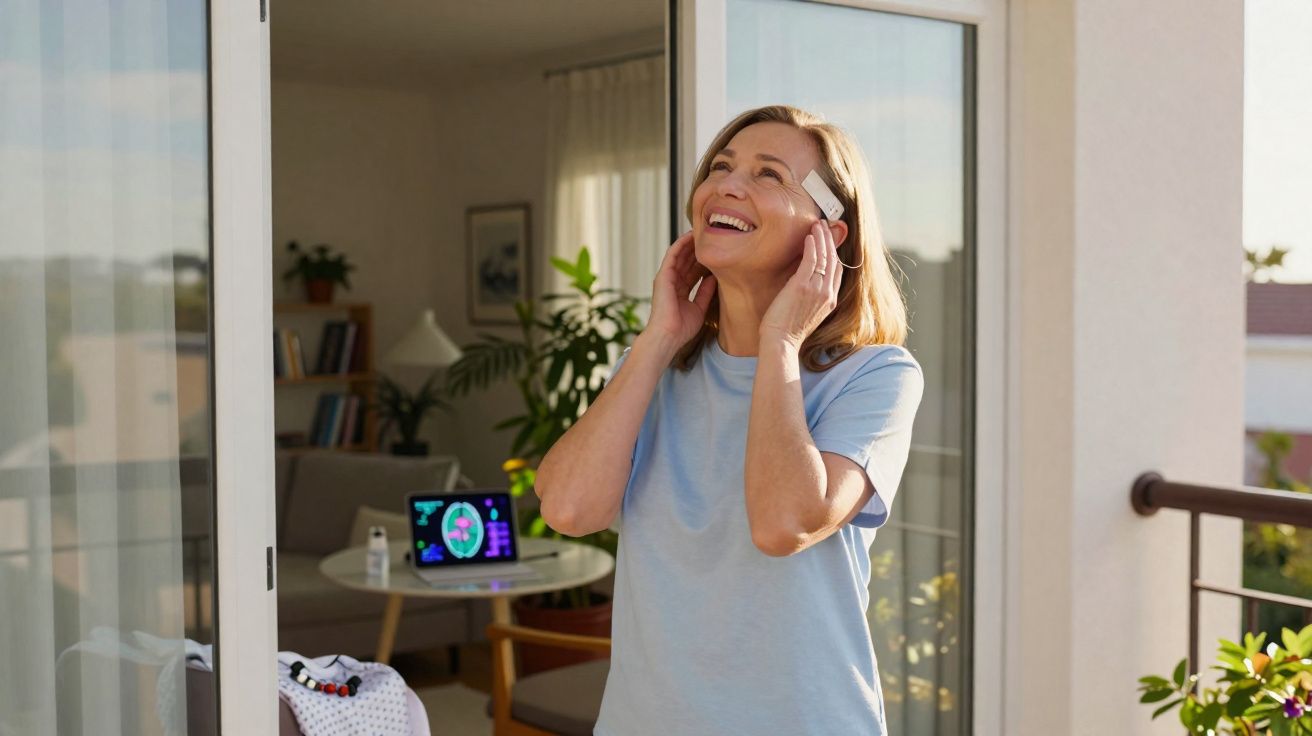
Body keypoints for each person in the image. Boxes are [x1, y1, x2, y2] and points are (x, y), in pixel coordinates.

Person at [534, 104, 924, 735]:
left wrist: (780, 342)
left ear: (829, 231)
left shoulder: (876, 377)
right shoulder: (652, 368)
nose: (728, 185)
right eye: (720, 166)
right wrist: (659, 337)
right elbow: (570, 511)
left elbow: (783, 524)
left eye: (770, 175)